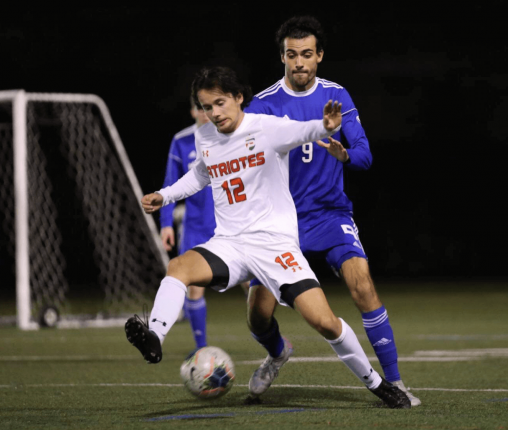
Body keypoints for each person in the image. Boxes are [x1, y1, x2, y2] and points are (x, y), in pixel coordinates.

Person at [125, 66, 410, 409]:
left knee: (324, 322)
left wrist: (327, 126)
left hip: (274, 246)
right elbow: (202, 172)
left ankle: (379, 385)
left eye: (219, 103)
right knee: (179, 267)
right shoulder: (206, 137)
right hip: (229, 243)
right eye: (206, 107)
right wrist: (165, 195)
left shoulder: (266, 128)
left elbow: (304, 130)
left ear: (238, 98)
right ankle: (155, 335)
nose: (213, 113)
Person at [244, 16, 421, 406]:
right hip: (279, 223)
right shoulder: (262, 104)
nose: (299, 63)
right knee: (257, 316)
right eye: (292, 55)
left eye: (307, 54)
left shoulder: (338, 96)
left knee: (363, 286)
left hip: (329, 215)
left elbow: (365, 156)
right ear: (283, 57)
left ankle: (395, 383)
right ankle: (277, 352)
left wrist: (344, 155)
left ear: (320, 56)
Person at [160, 99, 250, 350]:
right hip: (196, 226)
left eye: (208, 107)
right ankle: (202, 349)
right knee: (194, 288)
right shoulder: (182, 140)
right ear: (192, 110)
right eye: (200, 107)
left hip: (232, 223)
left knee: (252, 282)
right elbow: (171, 183)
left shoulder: (233, 135)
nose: (205, 112)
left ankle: (268, 339)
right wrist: (166, 223)